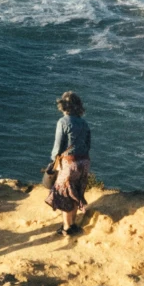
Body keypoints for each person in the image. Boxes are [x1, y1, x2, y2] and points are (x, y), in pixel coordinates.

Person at [45, 89, 91, 240]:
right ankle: (73, 224)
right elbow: (88, 144)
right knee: (76, 192)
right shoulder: (84, 123)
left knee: (64, 194)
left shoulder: (63, 122)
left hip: (69, 163)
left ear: (64, 106)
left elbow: (58, 147)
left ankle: (66, 227)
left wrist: (53, 162)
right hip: (84, 162)